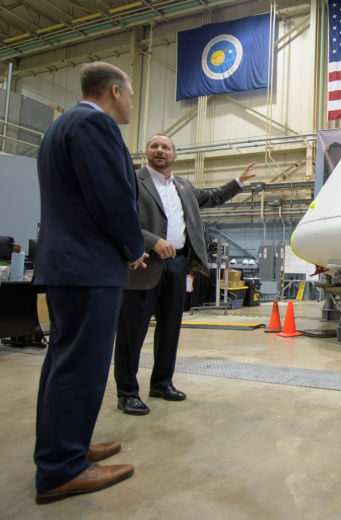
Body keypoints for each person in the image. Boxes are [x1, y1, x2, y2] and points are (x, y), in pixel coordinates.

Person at [33, 61, 147, 503]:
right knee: (81, 367)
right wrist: (132, 247)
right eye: (132, 95)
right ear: (115, 91)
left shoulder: (61, 126)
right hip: (88, 266)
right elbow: (112, 197)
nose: (132, 104)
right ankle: (63, 468)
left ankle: (67, 447)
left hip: (67, 266)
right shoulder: (94, 125)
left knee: (63, 362)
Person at [114, 133, 257, 415]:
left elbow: (214, 196)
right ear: (146, 153)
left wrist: (238, 182)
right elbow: (119, 218)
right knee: (132, 332)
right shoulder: (133, 181)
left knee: (170, 330)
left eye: (165, 147)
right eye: (153, 146)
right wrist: (150, 240)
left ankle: (161, 383)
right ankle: (127, 392)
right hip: (143, 264)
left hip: (177, 265)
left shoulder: (183, 186)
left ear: (175, 156)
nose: (159, 150)